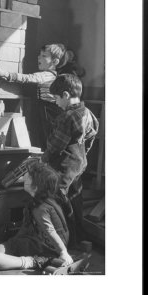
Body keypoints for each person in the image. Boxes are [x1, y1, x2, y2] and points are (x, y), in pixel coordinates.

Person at [41, 74, 99, 246]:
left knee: (58, 197)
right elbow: (92, 134)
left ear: (66, 95)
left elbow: (55, 146)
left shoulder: (66, 117)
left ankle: (63, 238)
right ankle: (78, 236)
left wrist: (43, 160)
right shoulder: (88, 113)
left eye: (57, 98)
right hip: (79, 163)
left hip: (65, 165)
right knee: (76, 198)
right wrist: (83, 155)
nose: (56, 102)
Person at [0, 43, 84, 148]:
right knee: (43, 135)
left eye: (44, 56)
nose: (39, 57)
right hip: (44, 109)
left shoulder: (48, 74)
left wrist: (6, 74)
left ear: (55, 61)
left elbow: (29, 78)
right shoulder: (48, 74)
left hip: (49, 110)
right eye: (39, 55)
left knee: (47, 135)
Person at [0, 159, 73, 266]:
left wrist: (63, 252)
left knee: (12, 245)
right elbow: (26, 226)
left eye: (29, 176)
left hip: (49, 246)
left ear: (37, 186)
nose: (25, 177)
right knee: (9, 234)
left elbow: (50, 231)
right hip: (45, 239)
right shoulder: (41, 200)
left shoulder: (40, 208)